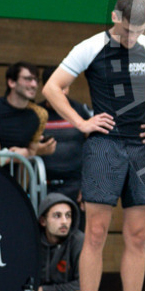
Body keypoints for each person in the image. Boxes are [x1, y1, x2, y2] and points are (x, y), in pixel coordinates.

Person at [42, 0, 145, 291]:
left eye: (138, 30)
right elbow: (52, 88)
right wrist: (81, 124)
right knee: (95, 233)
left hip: (140, 147)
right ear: (114, 16)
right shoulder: (90, 47)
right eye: (127, 29)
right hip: (104, 145)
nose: (131, 37)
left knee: (138, 236)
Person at [40, 65, 92, 203]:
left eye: (64, 87)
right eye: (57, 88)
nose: (61, 93)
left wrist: (88, 184)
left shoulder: (81, 111)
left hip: (76, 187)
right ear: (45, 89)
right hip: (42, 186)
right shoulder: (36, 113)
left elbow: (93, 149)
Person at [37, 192, 84, 291]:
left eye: (68, 216)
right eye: (57, 216)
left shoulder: (79, 241)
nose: (64, 221)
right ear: (43, 221)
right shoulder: (31, 241)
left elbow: (82, 285)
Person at [0, 61, 55, 158]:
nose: (34, 85)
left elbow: (31, 152)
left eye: (36, 80)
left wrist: (26, 153)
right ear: (12, 82)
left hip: (13, 172)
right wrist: (9, 157)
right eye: (28, 79)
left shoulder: (38, 115)